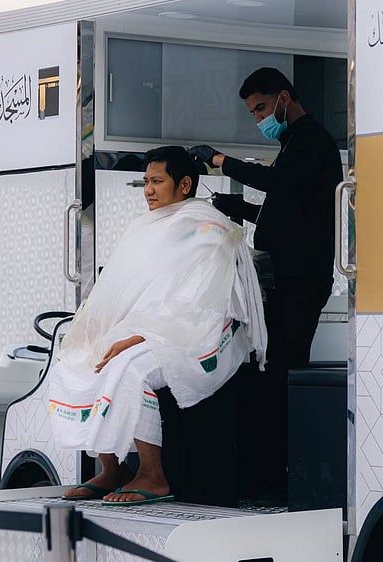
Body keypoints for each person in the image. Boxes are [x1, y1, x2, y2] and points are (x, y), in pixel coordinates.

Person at [49, 146, 266, 505]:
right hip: (149, 326)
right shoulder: (145, 227)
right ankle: (113, 468)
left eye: (157, 181)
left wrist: (139, 336)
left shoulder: (207, 228)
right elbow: (122, 290)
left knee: (129, 369)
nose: (148, 190)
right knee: (80, 359)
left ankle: (153, 474)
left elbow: (199, 301)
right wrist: (97, 330)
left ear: (184, 185)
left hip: (193, 333)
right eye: (146, 182)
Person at [189, 67, 342, 497]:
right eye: (253, 113)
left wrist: (220, 161)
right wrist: (233, 206)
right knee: (272, 371)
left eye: (261, 109)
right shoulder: (293, 144)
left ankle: (283, 476)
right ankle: (272, 472)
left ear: (284, 99)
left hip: (302, 279)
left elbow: (278, 183)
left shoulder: (311, 140)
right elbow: (286, 209)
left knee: (282, 373)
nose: (258, 119)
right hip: (288, 276)